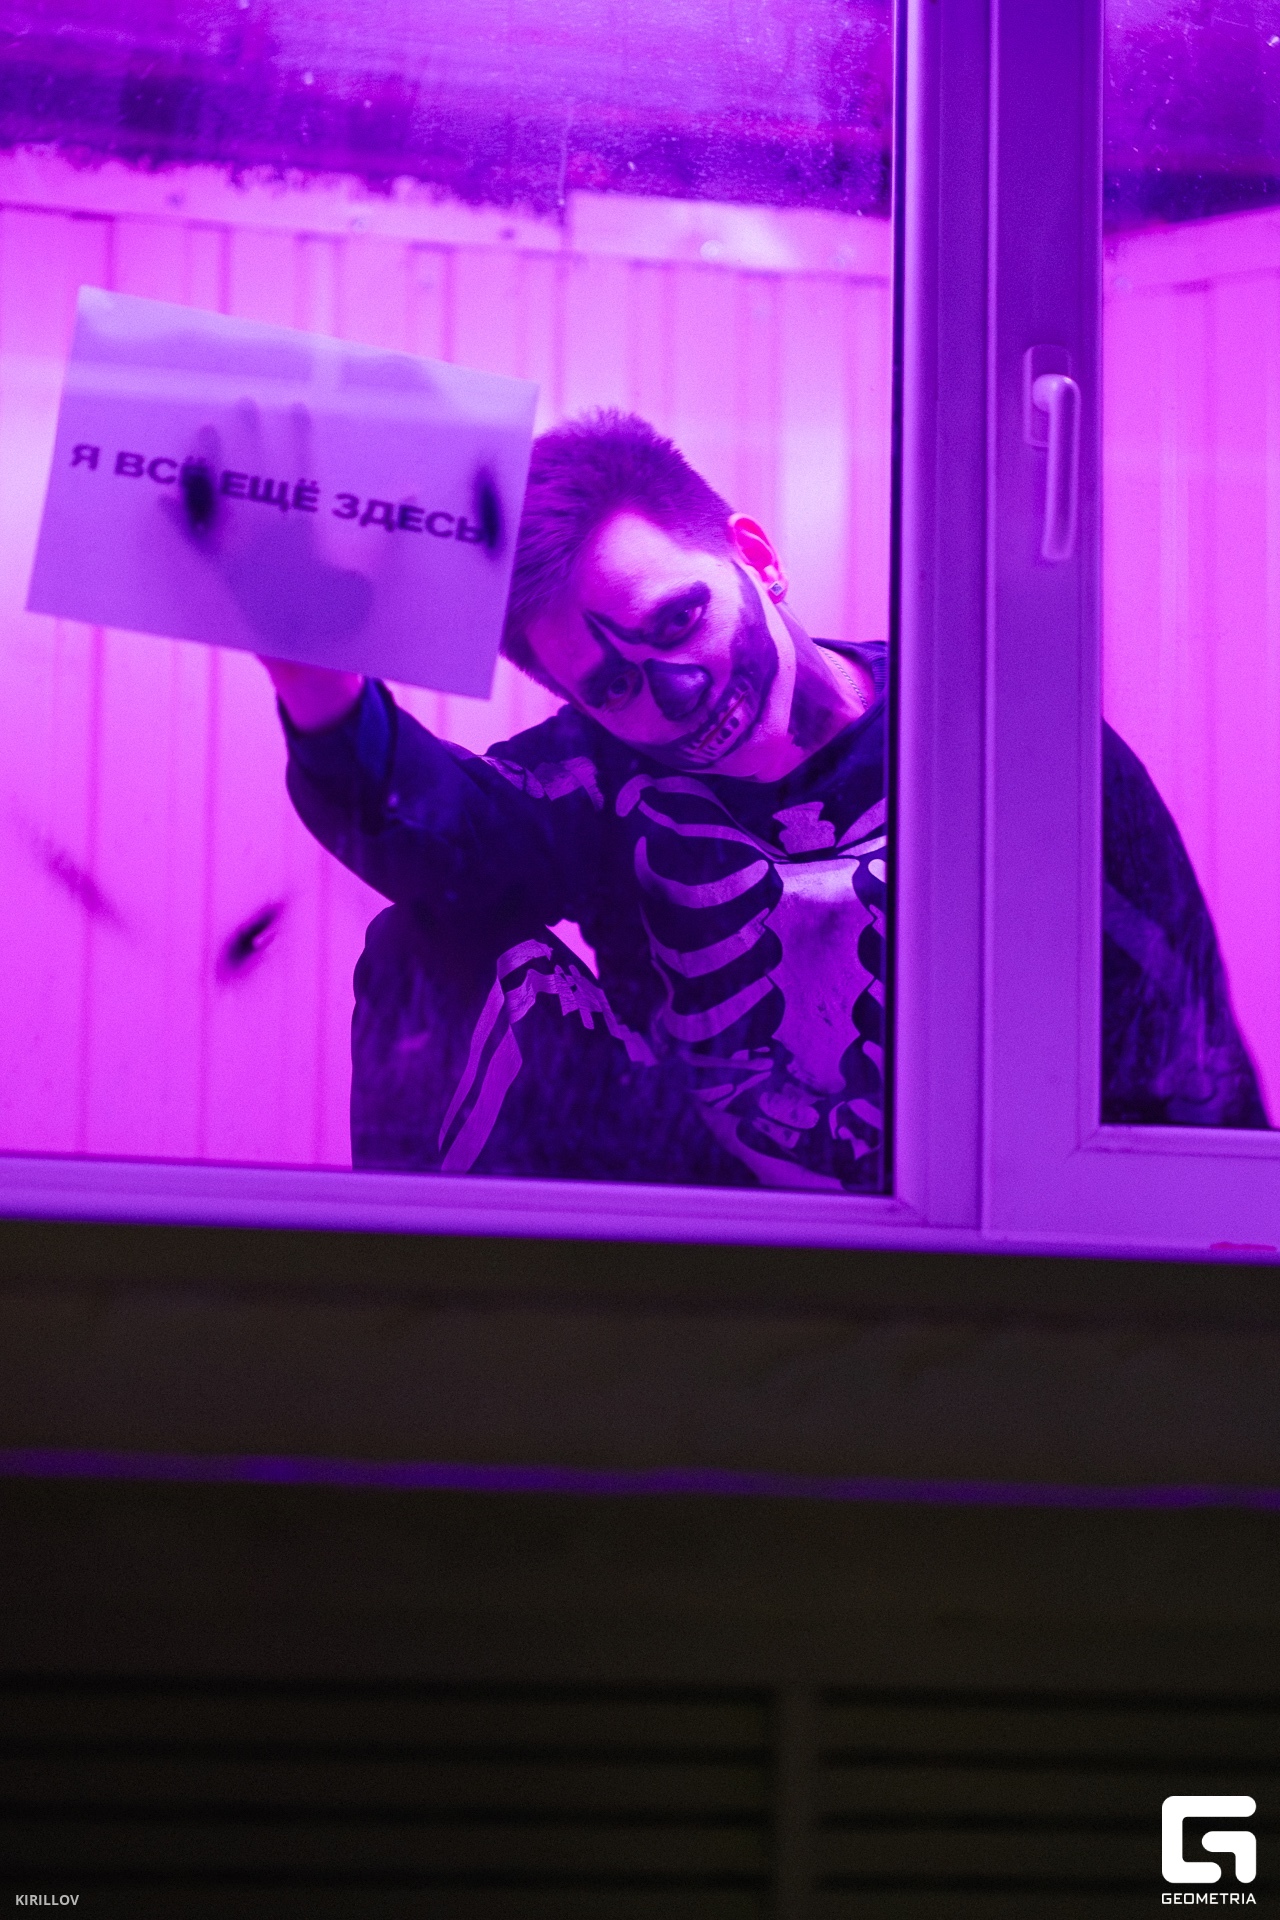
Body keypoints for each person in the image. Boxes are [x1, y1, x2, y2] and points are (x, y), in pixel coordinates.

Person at [269, 410, 1265, 1189]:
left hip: (976, 1227)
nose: (675, 693)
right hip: (703, 1229)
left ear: (757, 557)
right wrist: (316, 674)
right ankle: (450, 1334)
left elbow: (1185, 1050)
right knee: (421, 946)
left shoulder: (1009, 749)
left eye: (678, 620)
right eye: (610, 687)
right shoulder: (598, 773)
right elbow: (444, 833)